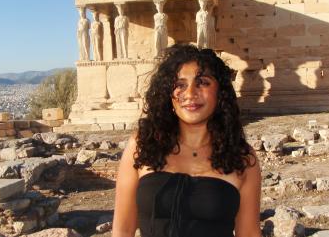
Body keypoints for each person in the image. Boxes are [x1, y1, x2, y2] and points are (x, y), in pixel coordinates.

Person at [112, 44, 262, 237]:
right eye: (180, 84)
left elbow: (249, 233)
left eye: (202, 82)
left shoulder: (241, 158)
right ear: (168, 93)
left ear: (220, 93)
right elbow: (122, 230)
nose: (190, 94)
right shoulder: (143, 144)